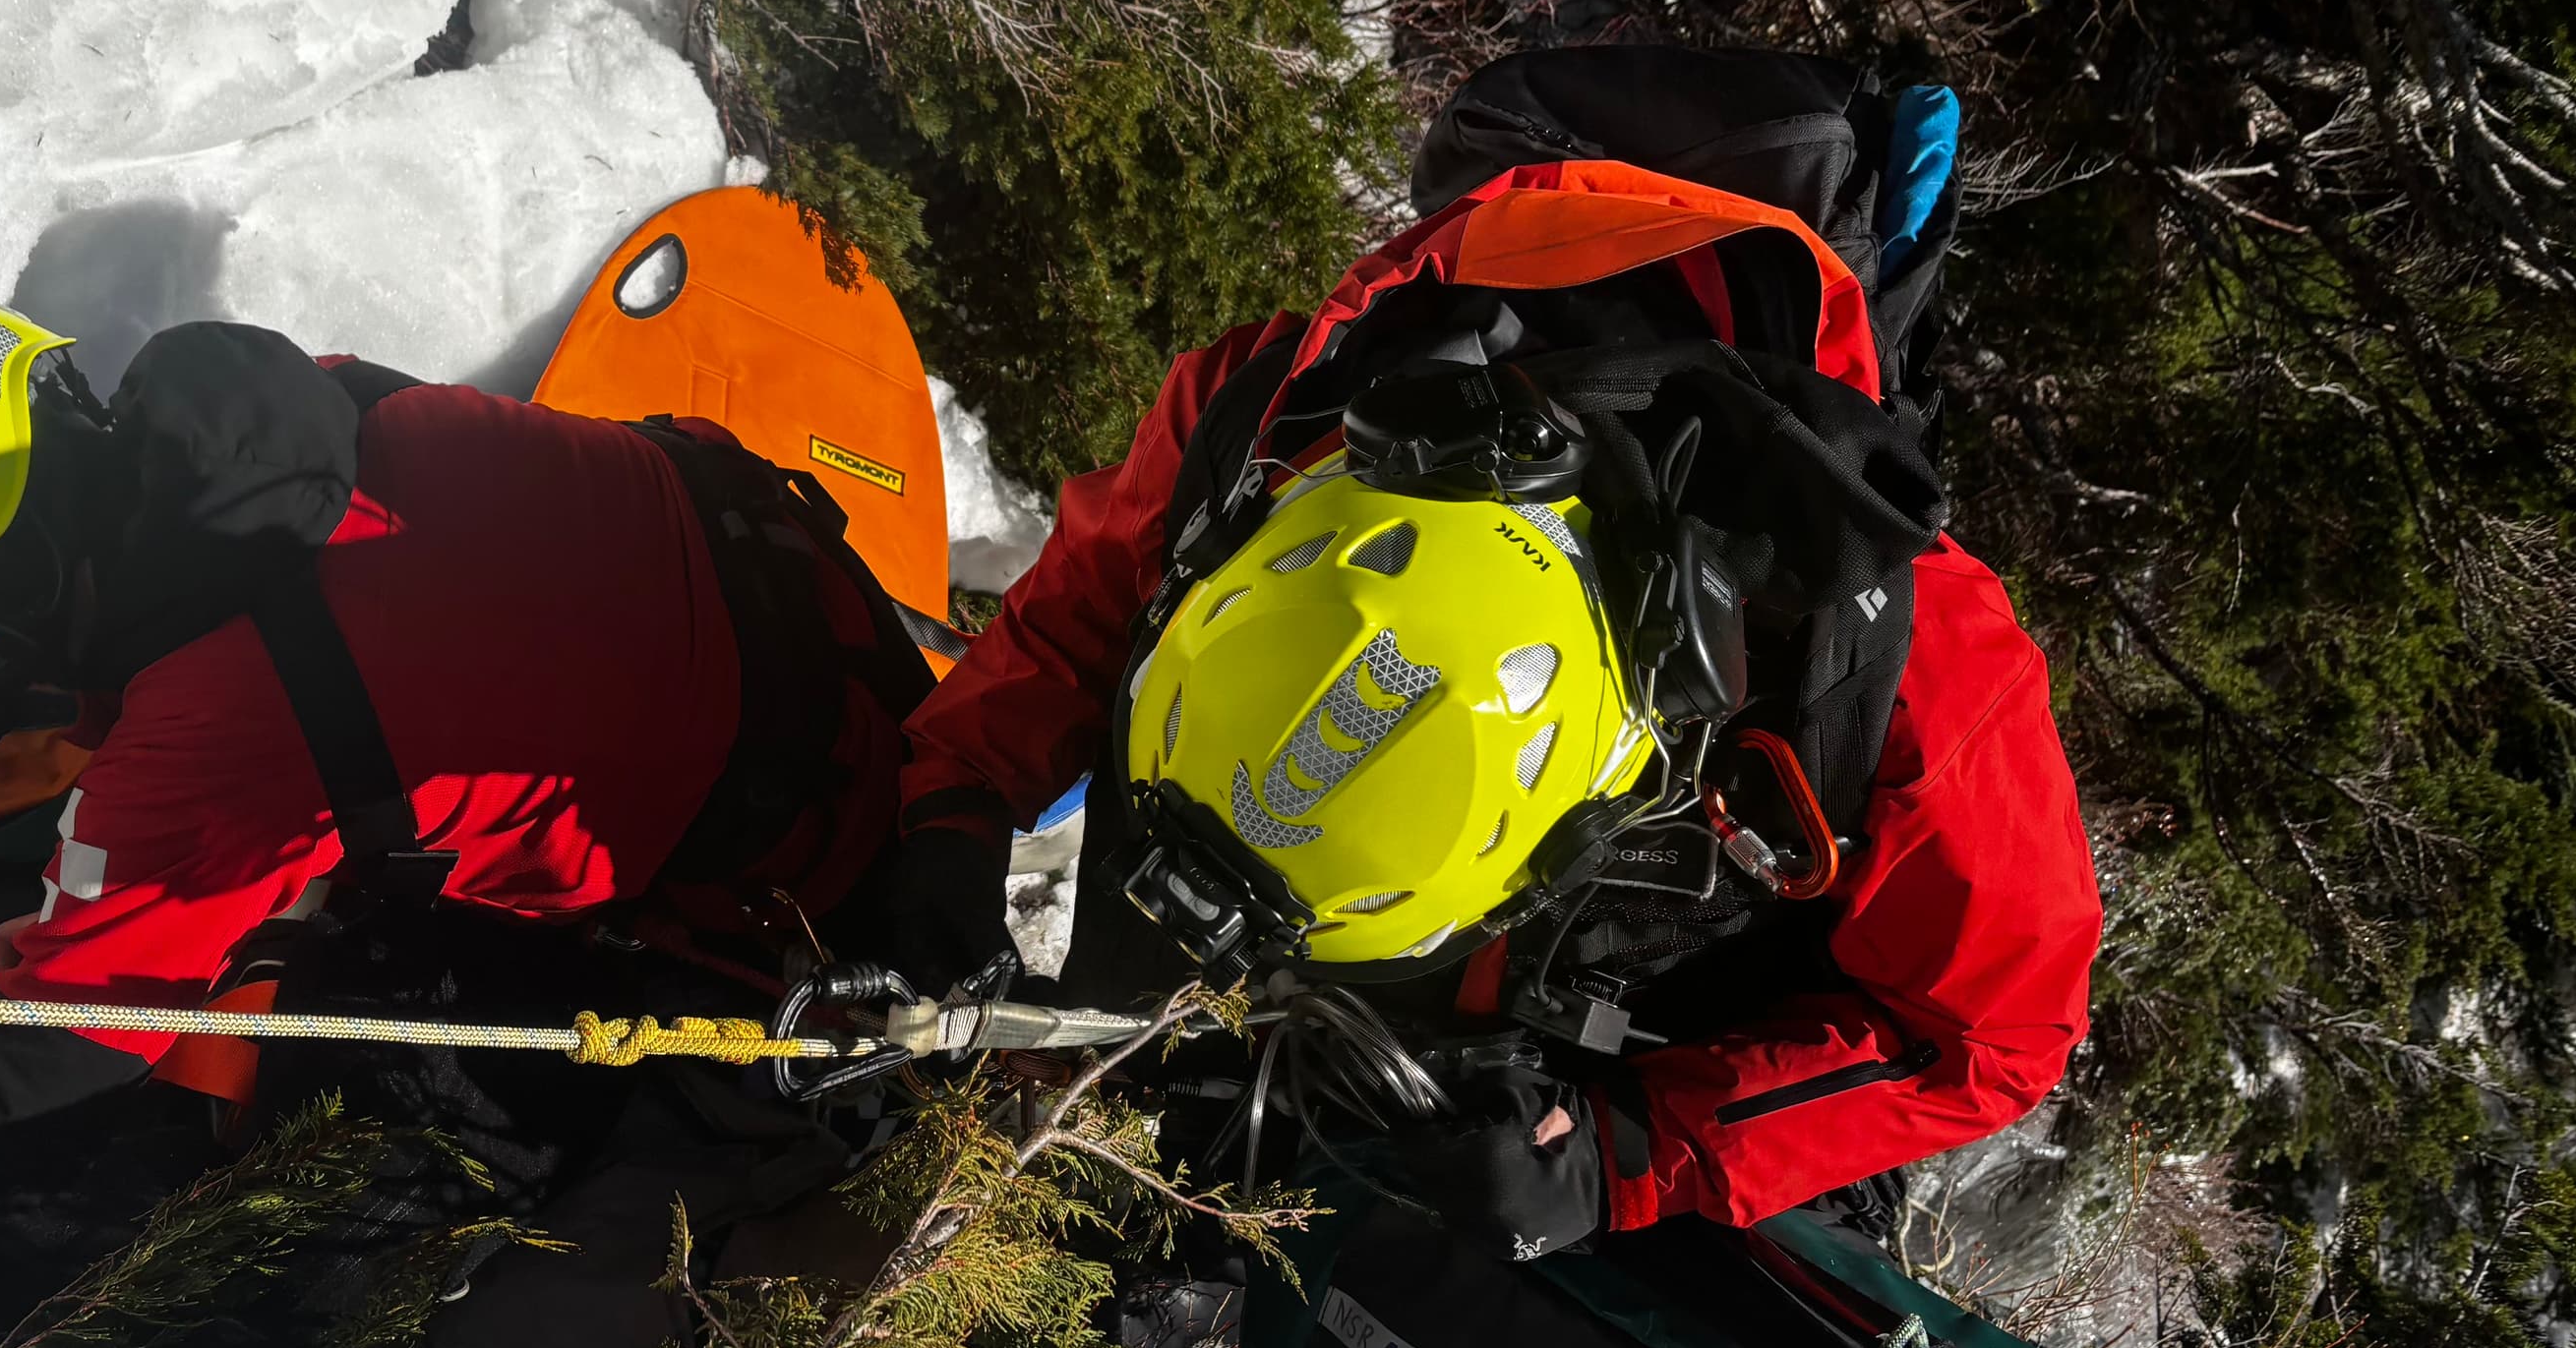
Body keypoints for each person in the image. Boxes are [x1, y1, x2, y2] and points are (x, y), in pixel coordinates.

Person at [874, 95, 2104, 1262]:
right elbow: (1075, 623)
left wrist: (1633, 1153)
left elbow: (1992, 1034)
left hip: (1591, 1091)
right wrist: (948, 821)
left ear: (1617, 782)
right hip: (1217, 994)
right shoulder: (1269, 418)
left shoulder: (1918, 675)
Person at [0, 291, 929, 1177]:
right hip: (827, 631)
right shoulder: (304, 402)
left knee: (280, 1075)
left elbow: (34, 1069)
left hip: (800, 883)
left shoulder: (202, 737)